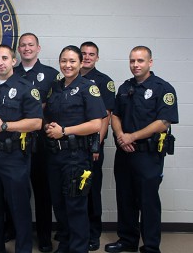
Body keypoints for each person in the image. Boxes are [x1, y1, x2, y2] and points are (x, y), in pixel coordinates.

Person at [105, 46, 178, 253]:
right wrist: (121, 136)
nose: (135, 65)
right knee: (125, 198)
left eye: (140, 61)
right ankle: (127, 240)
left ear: (150, 62)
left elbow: (163, 122)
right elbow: (115, 115)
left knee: (148, 201)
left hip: (148, 154)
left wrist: (133, 136)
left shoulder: (163, 88)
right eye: (132, 61)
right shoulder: (125, 87)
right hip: (125, 152)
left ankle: (151, 246)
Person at [0, 44, 43, 253]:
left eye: (5, 58)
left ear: (14, 61)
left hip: (14, 156)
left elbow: (36, 123)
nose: (1, 62)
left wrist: (4, 126)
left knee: (18, 205)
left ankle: (23, 249)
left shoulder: (26, 88)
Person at [44, 45, 107, 253]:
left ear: (81, 63)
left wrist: (64, 130)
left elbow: (96, 124)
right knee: (59, 203)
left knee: (76, 205)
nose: (67, 65)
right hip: (55, 155)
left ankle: (78, 248)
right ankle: (66, 243)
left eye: (72, 61)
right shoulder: (56, 87)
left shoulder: (88, 87)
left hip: (76, 155)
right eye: (63, 61)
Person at [13, 33, 59, 253]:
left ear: (38, 48)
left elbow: (57, 106)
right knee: (16, 190)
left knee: (43, 192)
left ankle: (43, 236)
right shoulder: (9, 72)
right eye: (23, 45)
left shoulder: (51, 75)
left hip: (41, 143)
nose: (27, 48)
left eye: (31, 45)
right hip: (14, 142)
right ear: (18, 50)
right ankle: (13, 230)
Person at [80, 41, 116, 251]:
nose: (87, 57)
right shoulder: (67, 79)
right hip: (71, 145)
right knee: (73, 190)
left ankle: (94, 232)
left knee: (92, 190)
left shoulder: (104, 82)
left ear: (97, 57)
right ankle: (75, 229)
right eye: (83, 53)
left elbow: (106, 117)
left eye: (91, 54)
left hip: (92, 145)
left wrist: (96, 145)